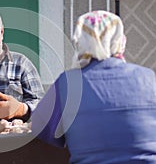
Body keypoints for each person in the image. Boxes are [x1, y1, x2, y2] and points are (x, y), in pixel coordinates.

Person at [31, 10, 156, 163]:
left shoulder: (68, 84)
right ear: (120, 41)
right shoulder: (147, 77)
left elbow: (41, 126)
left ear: (80, 42)